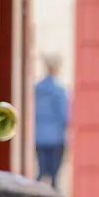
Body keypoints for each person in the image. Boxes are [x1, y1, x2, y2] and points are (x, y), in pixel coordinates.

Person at [34, 53, 70, 189]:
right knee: (54, 177)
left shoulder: (37, 89)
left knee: (41, 171)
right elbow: (64, 116)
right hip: (56, 138)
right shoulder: (59, 91)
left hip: (39, 137)